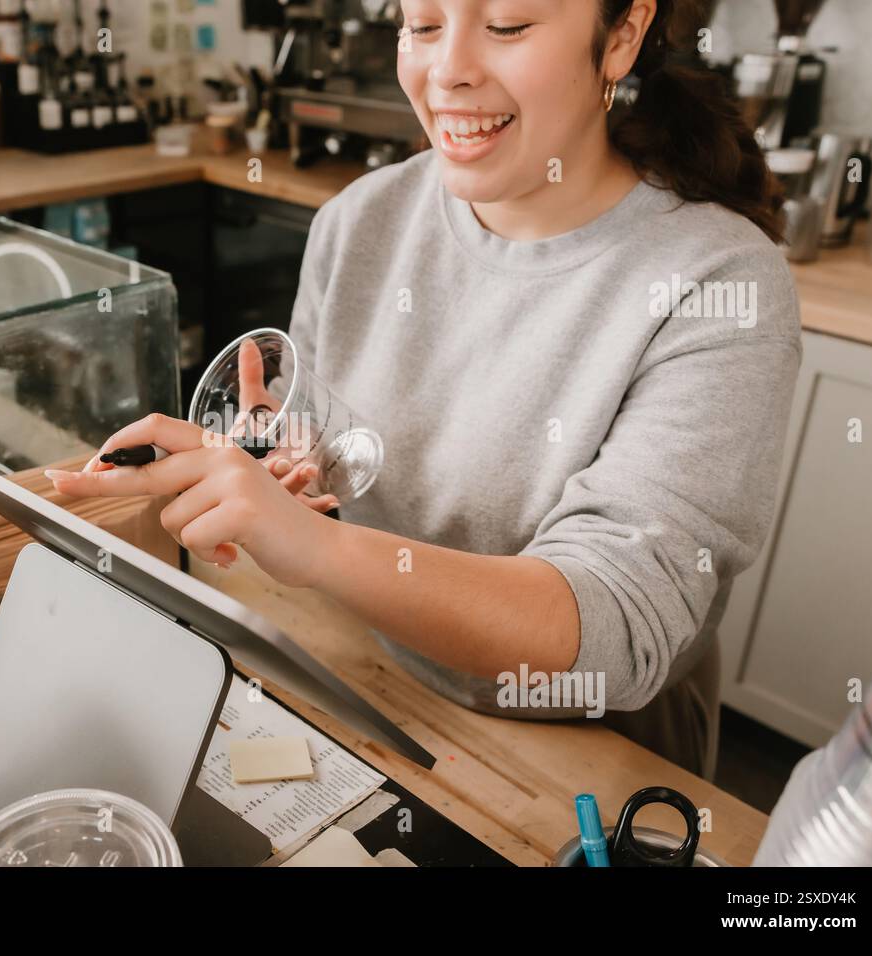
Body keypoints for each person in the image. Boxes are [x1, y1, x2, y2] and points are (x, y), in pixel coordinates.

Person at [46, 0, 800, 777]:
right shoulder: (361, 219)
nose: (448, 71)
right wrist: (292, 467)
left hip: (587, 748)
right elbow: (335, 467)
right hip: (367, 670)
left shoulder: (719, 283)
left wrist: (320, 547)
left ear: (621, 36)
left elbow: (618, 625)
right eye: (424, 23)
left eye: (506, 26)